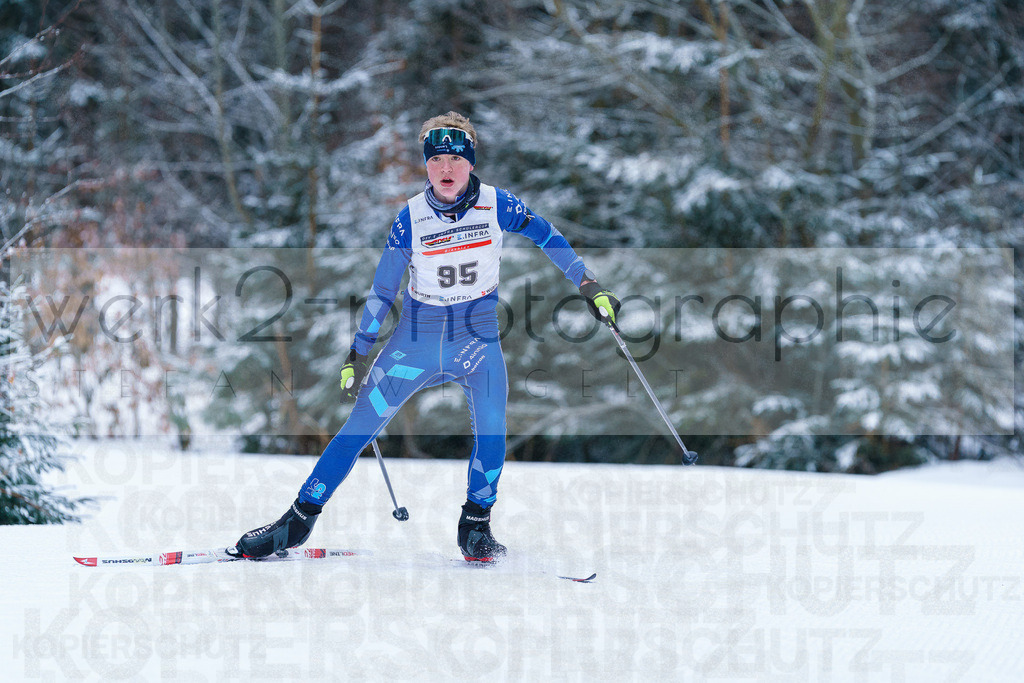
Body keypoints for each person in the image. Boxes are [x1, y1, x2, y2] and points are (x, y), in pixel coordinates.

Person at [234, 111, 620, 562]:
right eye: (436, 159)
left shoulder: (499, 205)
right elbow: (383, 291)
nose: (446, 169)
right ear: (426, 165)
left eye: (456, 158)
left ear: (471, 162)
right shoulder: (411, 219)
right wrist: (358, 352)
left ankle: (475, 525)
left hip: (476, 341)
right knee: (357, 428)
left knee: (493, 430)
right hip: (414, 343)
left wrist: (587, 283)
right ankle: (296, 522)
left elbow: (548, 236)